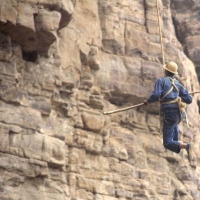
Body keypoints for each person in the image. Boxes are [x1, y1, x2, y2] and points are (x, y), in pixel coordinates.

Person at [144, 61, 194, 162]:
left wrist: (147, 101)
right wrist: (179, 96)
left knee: (167, 143)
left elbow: (156, 95)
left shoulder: (161, 81)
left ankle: (187, 146)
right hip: (180, 114)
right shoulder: (178, 84)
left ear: (165, 70)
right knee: (174, 143)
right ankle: (183, 146)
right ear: (174, 73)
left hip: (170, 113)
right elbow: (189, 99)